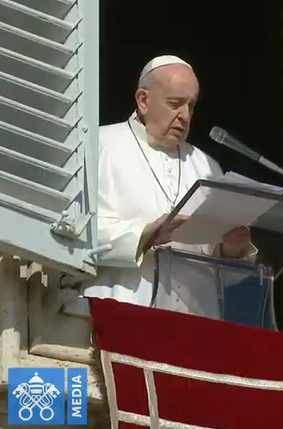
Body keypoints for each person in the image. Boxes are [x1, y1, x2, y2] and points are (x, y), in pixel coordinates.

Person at [82, 55, 257, 312]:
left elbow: (225, 275)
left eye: (191, 106)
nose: (185, 116)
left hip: (195, 318)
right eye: (175, 103)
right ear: (143, 100)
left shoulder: (206, 167)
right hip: (122, 308)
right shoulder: (98, 146)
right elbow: (75, 235)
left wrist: (233, 250)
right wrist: (144, 235)